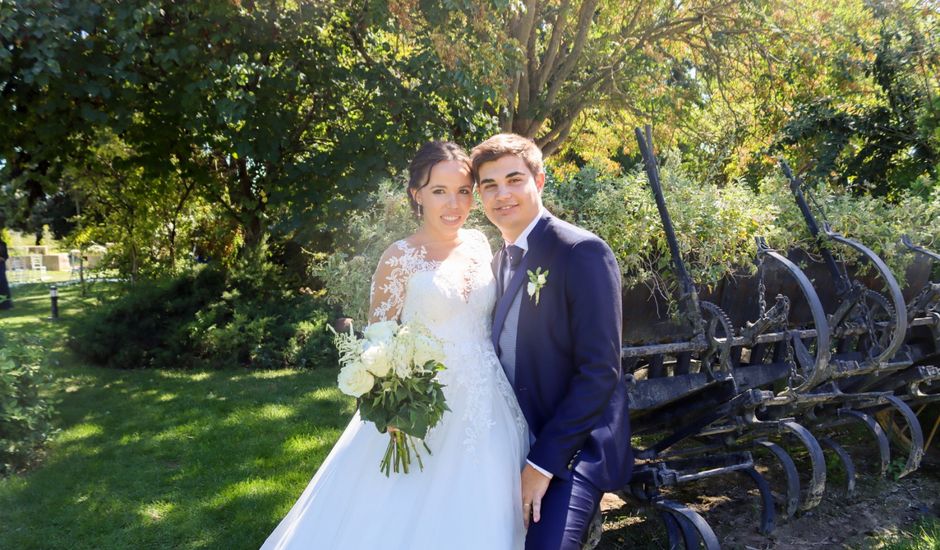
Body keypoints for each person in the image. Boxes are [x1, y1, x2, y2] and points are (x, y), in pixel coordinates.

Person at [260, 142, 528, 549]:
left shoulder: (479, 242)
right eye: (439, 191)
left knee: (488, 501)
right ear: (416, 194)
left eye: (463, 191)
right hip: (424, 404)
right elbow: (378, 341)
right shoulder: (399, 257)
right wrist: (389, 406)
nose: (454, 203)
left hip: (489, 399)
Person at [472, 134, 632, 550]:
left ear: (539, 181)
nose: (502, 194)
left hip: (574, 445)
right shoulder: (498, 261)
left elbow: (600, 372)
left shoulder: (581, 251)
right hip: (513, 437)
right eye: (489, 185)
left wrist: (542, 463)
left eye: (513, 179)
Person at [0, 235, 11, 310]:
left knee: (3, 284)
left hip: (1, 266)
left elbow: (6, 256)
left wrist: (2, 258)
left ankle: (5, 304)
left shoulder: (3, 244)